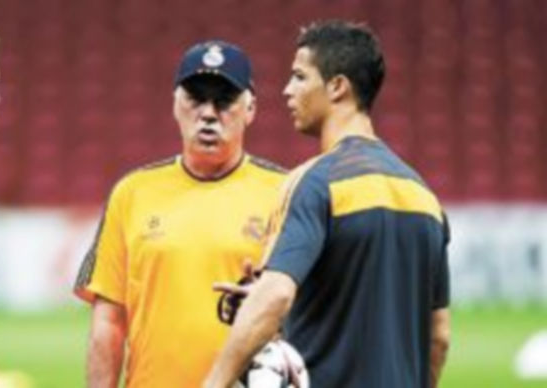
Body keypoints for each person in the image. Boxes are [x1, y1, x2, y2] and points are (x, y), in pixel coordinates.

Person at [205, 20, 451, 388]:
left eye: (299, 77)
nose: (287, 90)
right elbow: (439, 336)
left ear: (337, 86)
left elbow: (276, 295)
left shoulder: (315, 183)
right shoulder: (424, 198)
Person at [73, 40, 288, 388]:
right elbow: (108, 321)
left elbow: (315, 309)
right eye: (195, 98)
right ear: (175, 104)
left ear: (250, 109)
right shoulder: (132, 192)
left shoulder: (286, 192)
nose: (208, 113)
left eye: (224, 101)